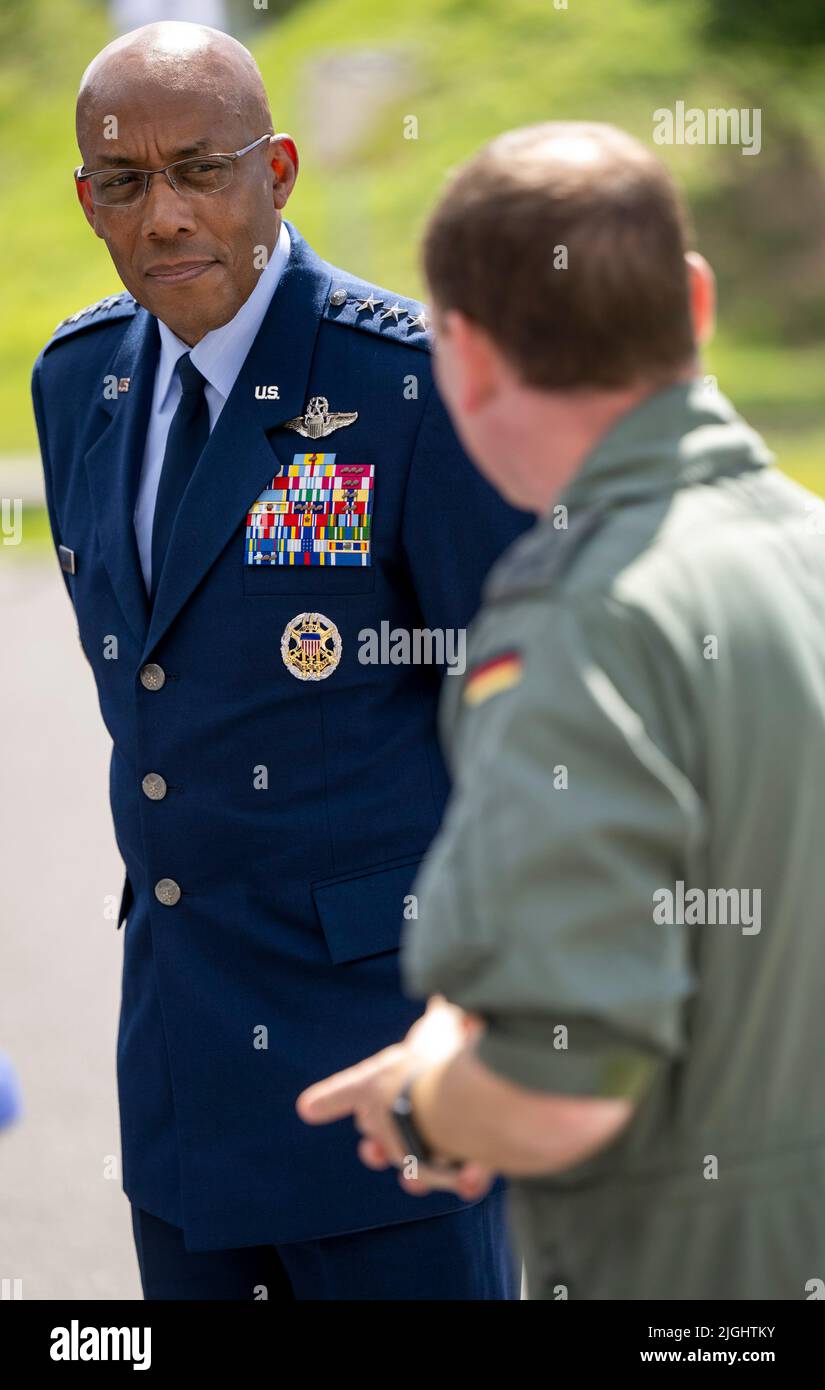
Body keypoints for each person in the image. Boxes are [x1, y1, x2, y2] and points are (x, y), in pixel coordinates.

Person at [31, 21, 528, 1300]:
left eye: (203, 169)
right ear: (86, 201)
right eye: (124, 182)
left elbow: (527, 736)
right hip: (181, 1077)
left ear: (281, 172)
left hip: (386, 1077)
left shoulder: (408, 385)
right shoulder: (77, 384)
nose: (165, 215)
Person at [298, 122, 825, 1300]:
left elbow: (557, 1088)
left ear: (469, 357)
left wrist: (419, 1102)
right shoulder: (804, 547)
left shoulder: (575, 624)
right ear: (697, 302)